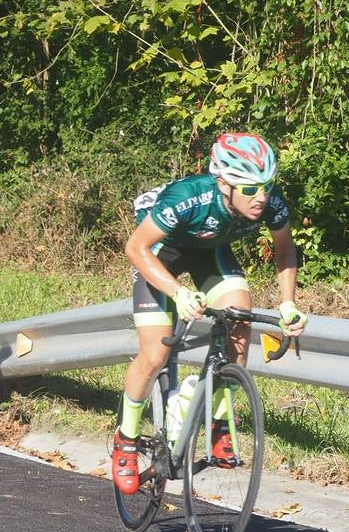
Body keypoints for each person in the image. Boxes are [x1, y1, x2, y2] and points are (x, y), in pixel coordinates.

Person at [111, 132, 308, 494]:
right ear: (223, 183)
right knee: (155, 354)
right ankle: (126, 439)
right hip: (160, 253)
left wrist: (287, 303)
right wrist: (179, 292)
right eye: (249, 189)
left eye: (266, 186)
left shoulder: (270, 201)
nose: (261, 197)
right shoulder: (188, 197)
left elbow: (285, 251)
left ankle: (219, 422)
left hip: (210, 253)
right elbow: (135, 248)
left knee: (240, 315)